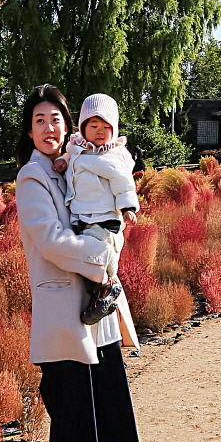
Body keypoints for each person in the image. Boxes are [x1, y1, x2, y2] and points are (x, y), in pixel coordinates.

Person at [14, 85, 141, 442]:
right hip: (64, 325)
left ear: (69, 125)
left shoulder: (79, 163)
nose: (50, 128)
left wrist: (116, 228)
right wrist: (103, 255)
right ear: (29, 131)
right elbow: (51, 241)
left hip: (100, 319)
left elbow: (114, 208)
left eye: (56, 119)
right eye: (39, 120)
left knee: (118, 434)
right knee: (73, 441)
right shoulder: (31, 179)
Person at [53, 94, 141, 327]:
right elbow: (70, 158)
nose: (100, 131)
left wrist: (128, 207)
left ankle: (107, 288)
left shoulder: (113, 156)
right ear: (83, 128)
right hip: (83, 214)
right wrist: (63, 161)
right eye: (93, 126)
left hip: (104, 215)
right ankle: (101, 295)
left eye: (106, 127)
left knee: (93, 253)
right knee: (88, 255)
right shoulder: (76, 147)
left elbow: (123, 182)